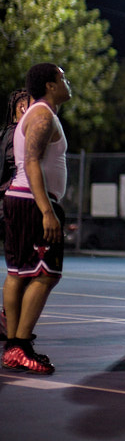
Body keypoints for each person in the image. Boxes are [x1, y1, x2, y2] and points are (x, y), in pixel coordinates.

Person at [2, 64, 71, 374]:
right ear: (50, 84)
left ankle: (13, 349)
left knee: (17, 273)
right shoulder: (42, 115)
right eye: (63, 78)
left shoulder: (37, 114)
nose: (67, 82)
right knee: (45, 274)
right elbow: (32, 162)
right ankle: (21, 345)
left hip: (20, 199)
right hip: (32, 202)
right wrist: (47, 210)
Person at [0, 89, 32, 341]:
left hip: (13, 203)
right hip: (11, 204)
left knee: (20, 266)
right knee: (20, 267)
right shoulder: (14, 134)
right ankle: (9, 325)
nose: (26, 107)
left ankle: (10, 322)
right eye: (23, 104)